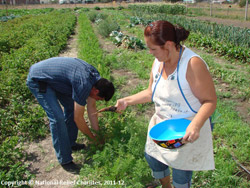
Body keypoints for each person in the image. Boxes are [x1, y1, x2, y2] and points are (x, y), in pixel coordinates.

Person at [115, 20, 216, 188]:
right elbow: (151, 92)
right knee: (152, 158)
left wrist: (196, 125)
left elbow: (210, 101)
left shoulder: (192, 64)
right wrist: (127, 100)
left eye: (153, 49)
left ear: (168, 45)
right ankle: (165, 186)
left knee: (180, 172)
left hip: (187, 126)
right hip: (164, 124)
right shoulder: (158, 63)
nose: (150, 52)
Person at [26, 57, 115, 173]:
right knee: (57, 118)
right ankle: (65, 160)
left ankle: (70, 143)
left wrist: (97, 135)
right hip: (39, 80)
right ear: (96, 91)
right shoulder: (84, 84)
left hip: (55, 80)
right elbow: (78, 119)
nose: (98, 101)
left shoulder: (96, 80)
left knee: (71, 108)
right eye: (99, 99)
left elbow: (92, 108)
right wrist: (92, 138)